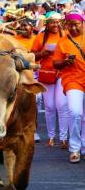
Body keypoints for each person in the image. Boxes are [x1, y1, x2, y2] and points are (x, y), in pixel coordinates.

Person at [31, 12, 69, 148]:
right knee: (49, 107)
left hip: (61, 74)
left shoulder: (66, 35)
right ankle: (52, 137)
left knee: (62, 106)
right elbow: (32, 56)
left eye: (58, 22)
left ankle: (64, 138)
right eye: (53, 22)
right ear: (47, 23)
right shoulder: (40, 37)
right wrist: (43, 53)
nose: (56, 24)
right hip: (46, 74)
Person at [53, 11, 85, 163]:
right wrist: (65, 62)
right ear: (66, 26)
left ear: (82, 24)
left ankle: (83, 146)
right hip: (72, 80)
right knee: (75, 112)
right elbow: (55, 63)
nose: (73, 28)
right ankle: (74, 149)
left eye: (76, 25)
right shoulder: (63, 42)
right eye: (70, 25)